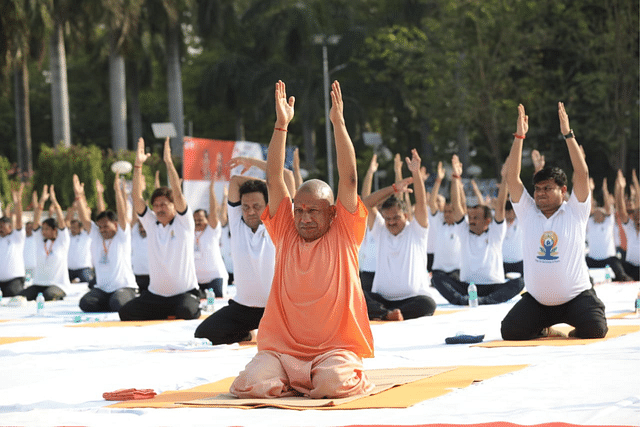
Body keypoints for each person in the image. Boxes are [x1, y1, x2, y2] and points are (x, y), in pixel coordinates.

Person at [230, 80, 374, 399]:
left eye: (314, 212)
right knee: (244, 386)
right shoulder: (285, 229)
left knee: (335, 385)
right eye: (300, 210)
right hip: (282, 352)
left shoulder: (345, 231)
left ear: (333, 213)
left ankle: (312, 380)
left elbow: (348, 178)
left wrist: (338, 123)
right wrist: (281, 126)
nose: (305, 218)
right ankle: (296, 380)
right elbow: (273, 178)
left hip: (333, 350)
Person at [500, 103, 608, 340]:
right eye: (537, 189)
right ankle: (546, 329)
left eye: (547, 188)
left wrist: (568, 134)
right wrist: (519, 136)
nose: (540, 193)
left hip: (576, 298)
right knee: (510, 331)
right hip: (539, 302)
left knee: (595, 330)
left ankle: (576, 327)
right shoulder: (528, 213)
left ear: (563, 190)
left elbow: (583, 174)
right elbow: (512, 177)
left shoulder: (575, 211)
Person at [118, 137, 201, 321]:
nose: (160, 208)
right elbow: (136, 197)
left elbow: (178, 193)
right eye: (156, 205)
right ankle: (163, 311)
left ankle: (185, 306)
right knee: (125, 313)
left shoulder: (184, 223)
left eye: (164, 204)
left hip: (184, 293)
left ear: (173, 206)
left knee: (186, 312)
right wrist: (138, 165)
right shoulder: (150, 223)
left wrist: (169, 163)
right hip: (156, 296)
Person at [194, 172, 275, 345]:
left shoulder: (276, 225)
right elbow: (235, 181)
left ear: (267, 206)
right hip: (243, 308)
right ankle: (248, 335)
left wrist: (266, 184)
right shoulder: (237, 223)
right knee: (203, 334)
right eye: (245, 207)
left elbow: (285, 178)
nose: (250, 211)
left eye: (256, 206)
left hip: (276, 309)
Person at [431, 157, 524, 305]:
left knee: (519, 283)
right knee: (437, 278)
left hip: (493, 287)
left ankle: (484, 301)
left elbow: (500, 205)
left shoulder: (496, 232)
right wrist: (455, 177)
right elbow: (456, 206)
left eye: (476, 217)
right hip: (468, 287)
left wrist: (505, 177)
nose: (471, 220)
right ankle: (462, 300)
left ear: (488, 221)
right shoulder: (464, 231)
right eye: (471, 217)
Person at [361, 149, 436, 321]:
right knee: (356, 292)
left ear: (406, 216)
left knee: (428, 304)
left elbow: (422, 203)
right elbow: (365, 203)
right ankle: (386, 314)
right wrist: (394, 188)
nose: (391, 222)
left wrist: (415, 173)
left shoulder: (416, 231)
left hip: (413, 300)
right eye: (387, 219)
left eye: (396, 218)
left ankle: (388, 314)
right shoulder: (380, 230)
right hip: (382, 300)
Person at [74, 174, 137, 312]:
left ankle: (123, 300)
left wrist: (117, 192)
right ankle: (110, 301)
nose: (102, 230)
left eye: (106, 226)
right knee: (85, 303)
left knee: (118, 303)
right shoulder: (97, 236)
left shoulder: (122, 236)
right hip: (103, 290)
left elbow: (121, 214)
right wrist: (78, 196)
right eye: (100, 227)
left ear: (115, 224)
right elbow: (84, 218)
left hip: (124, 287)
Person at [19, 185, 70, 301]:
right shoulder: (39, 240)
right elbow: (36, 221)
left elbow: (61, 222)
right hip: (39, 283)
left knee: (48, 295)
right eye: (43, 229)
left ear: (54, 230)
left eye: (47, 229)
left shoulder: (62, 241)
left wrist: (54, 202)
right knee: (21, 297)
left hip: (58, 285)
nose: (44, 231)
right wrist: (41, 201)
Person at [585, 178, 631, 281]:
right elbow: (589, 207)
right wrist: (590, 190)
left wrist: (604, 190)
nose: (597, 214)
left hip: (608, 259)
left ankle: (623, 278)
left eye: (599, 213)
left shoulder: (608, 222)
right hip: (593, 260)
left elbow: (608, 207)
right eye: (595, 213)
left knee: (616, 262)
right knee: (582, 262)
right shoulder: (590, 223)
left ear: (604, 215)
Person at [193, 180, 228, 298]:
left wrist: (211, 189)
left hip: (214, 278)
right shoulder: (188, 233)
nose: (197, 222)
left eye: (201, 219)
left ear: (207, 220)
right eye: (195, 219)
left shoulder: (211, 231)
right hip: (196, 280)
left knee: (214, 302)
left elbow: (213, 211)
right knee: (195, 304)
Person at [428, 161, 462, 279]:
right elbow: (432, 202)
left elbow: (460, 202)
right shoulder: (438, 222)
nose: (447, 214)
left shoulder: (461, 225)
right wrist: (438, 180)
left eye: (450, 211)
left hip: (457, 271)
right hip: (439, 271)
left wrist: (456, 179)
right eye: (445, 211)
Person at [0, 183, 26, 297]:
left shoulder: (16, 237)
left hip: (14, 280)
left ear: (10, 227)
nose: (0, 228)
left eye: (2, 226)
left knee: (13, 294)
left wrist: (18, 202)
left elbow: (19, 220)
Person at [358, 153, 379, 293]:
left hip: (377, 276)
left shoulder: (379, 226)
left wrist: (370, 173)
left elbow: (366, 200)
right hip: (362, 274)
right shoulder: (358, 225)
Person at [614, 170, 639, 281]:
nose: (638, 219)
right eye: (636, 217)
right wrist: (620, 188)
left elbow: (638, 203)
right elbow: (620, 209)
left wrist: (635, 182)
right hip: (629, 267)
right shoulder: (629, 226)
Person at [66, 208, 95, 284]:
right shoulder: (67, 236)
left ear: (80, 228)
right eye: (71, 227)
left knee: (90, 283)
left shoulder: (85, 235)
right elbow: (66, 222)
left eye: (75, 227)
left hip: (84, 269)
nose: (72, 229)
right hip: (69, 269)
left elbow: (87, 221)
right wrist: (72, 208)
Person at [502, 200, 524, 277]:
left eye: (511, 211)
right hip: (503, 263)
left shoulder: (521, 222)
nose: (509, 214)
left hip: (519, 262)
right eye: (507, 211)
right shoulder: (499, 224)